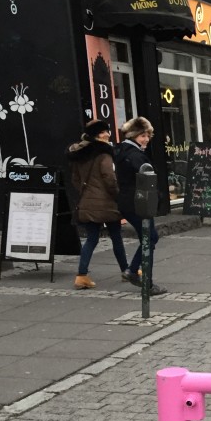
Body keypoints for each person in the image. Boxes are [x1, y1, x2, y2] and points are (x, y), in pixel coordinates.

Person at [66, 120, 132, 290]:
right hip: (107, 202)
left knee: (92, 238)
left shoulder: (79, 154)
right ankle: (127, 271)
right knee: (116, 237)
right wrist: (118, 195)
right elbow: (110, 179)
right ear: (96, 135)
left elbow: (75, 180)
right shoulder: (104, 153)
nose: (107, 135)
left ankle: (81, 276)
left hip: (87, 201)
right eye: (103, 132)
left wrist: (87, 193)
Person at [115, 116, 166, 295]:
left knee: (149, 238)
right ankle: (146, 283)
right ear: (134, 135)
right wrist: (156, 197)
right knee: (149, 238)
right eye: (142, 135)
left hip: (130, 203)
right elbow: (146, 179)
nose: (146, 139)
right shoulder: (134, 155)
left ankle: (134, 272)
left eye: (148, 135)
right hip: (139, 203)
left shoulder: (124, 151)